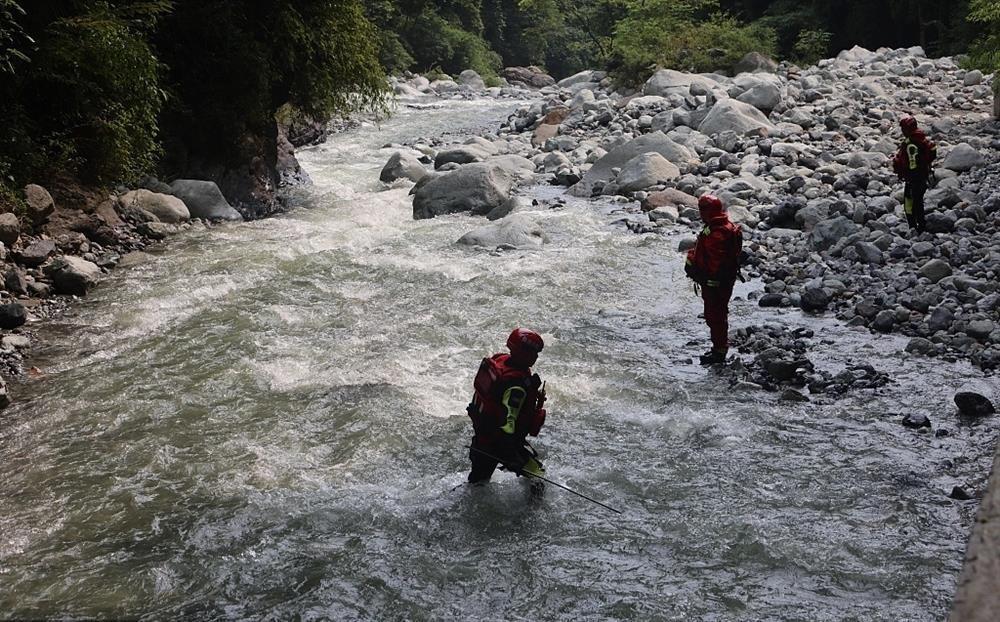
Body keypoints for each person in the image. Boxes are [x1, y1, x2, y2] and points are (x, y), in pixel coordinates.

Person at [466, 328, 547, 484]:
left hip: (483, 438)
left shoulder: (501, 359)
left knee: (476, 483)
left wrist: (530, 385)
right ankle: (534, 508)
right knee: (538, 476)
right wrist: (512, 457)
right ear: (523, 353)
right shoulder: (516, 386)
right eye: (534, 352)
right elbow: (507, 424)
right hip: (499, 444)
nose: (536, 356)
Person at [685, 194, 743, 365]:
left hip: (715, 283)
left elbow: (714, 263)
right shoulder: (722, 227)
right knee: (717, 314)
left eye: (702, 210)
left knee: (715, 315)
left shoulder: (718, 233)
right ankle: (719, 347)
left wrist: (697, 271)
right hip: (720, 281)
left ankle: (719, 351)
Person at [892, 116, 937, 235]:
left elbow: (913, 164)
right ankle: (920, 225)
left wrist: (909, 177)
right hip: (922, 176)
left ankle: (915, 227)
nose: (902, 131)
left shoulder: (911, 144)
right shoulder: (921, 139)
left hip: (914, 179)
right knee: (918, 201)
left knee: (910, 202)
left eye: (903, 128)